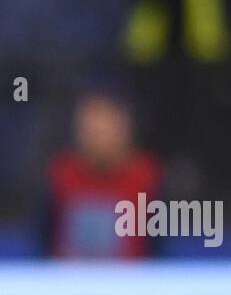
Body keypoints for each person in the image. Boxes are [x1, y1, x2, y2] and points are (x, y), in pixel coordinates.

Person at [42, 90, 163, 259]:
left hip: (133, 282)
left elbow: (160, 253)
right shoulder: (60, 175)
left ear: (124, 129)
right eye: (90, 130)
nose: (98, 139)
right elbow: (44, 245)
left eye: (105, 130)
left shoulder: (147, 177)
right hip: (70, 281)